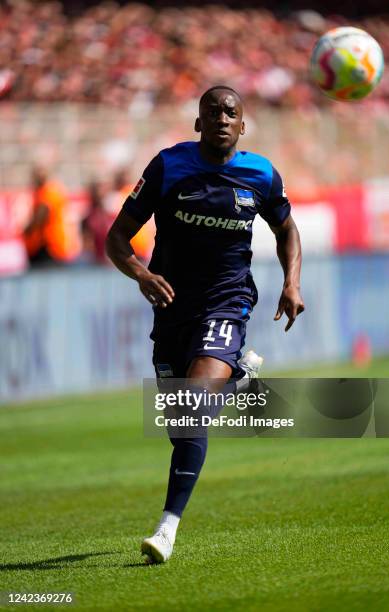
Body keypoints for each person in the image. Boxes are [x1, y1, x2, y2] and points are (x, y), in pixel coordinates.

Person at [106, 85, 305, 563]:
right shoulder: (168, 166)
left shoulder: (260, 174)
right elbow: (117, 238)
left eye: (230, 112)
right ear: (198, 123)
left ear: (243, 125)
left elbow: (286, 229)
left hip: (227, 302)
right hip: (172, 308)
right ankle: (238, 379)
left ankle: (167, 528)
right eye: (211, 111)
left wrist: (291, 283)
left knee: (193, 408)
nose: (220, 117)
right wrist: (142, 274)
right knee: (182, 424)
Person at [23, 166, 71, 267]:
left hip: (50, 247)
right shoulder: (42, 192)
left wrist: (26, 231)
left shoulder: (49, 192)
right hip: (46, 246)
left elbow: (41, 216)